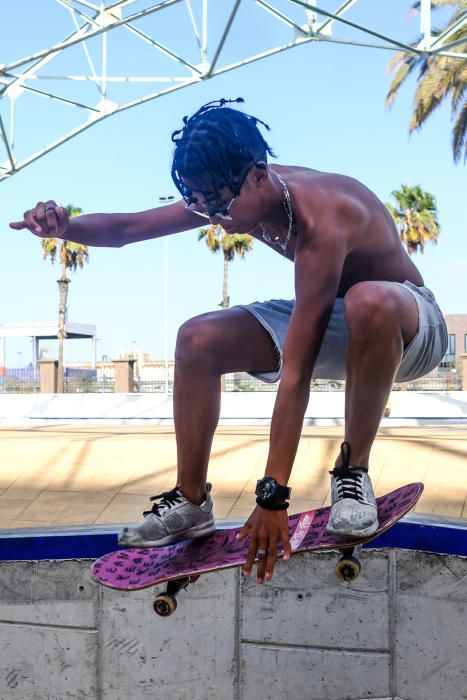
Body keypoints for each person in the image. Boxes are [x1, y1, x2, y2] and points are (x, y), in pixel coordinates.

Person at [10, 98, 447, 584]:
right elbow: (129, 228)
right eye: (202, 206)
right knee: (198, 338)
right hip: (342, 321)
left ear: (259, 175)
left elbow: (296, 375)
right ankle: (191, 499)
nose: (214, 217)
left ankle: (353, 475)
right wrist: (67, 227)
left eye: (219, 205)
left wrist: (272, 495)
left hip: (410, 326)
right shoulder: (230, 186)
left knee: (369, 301)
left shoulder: (324, 215)